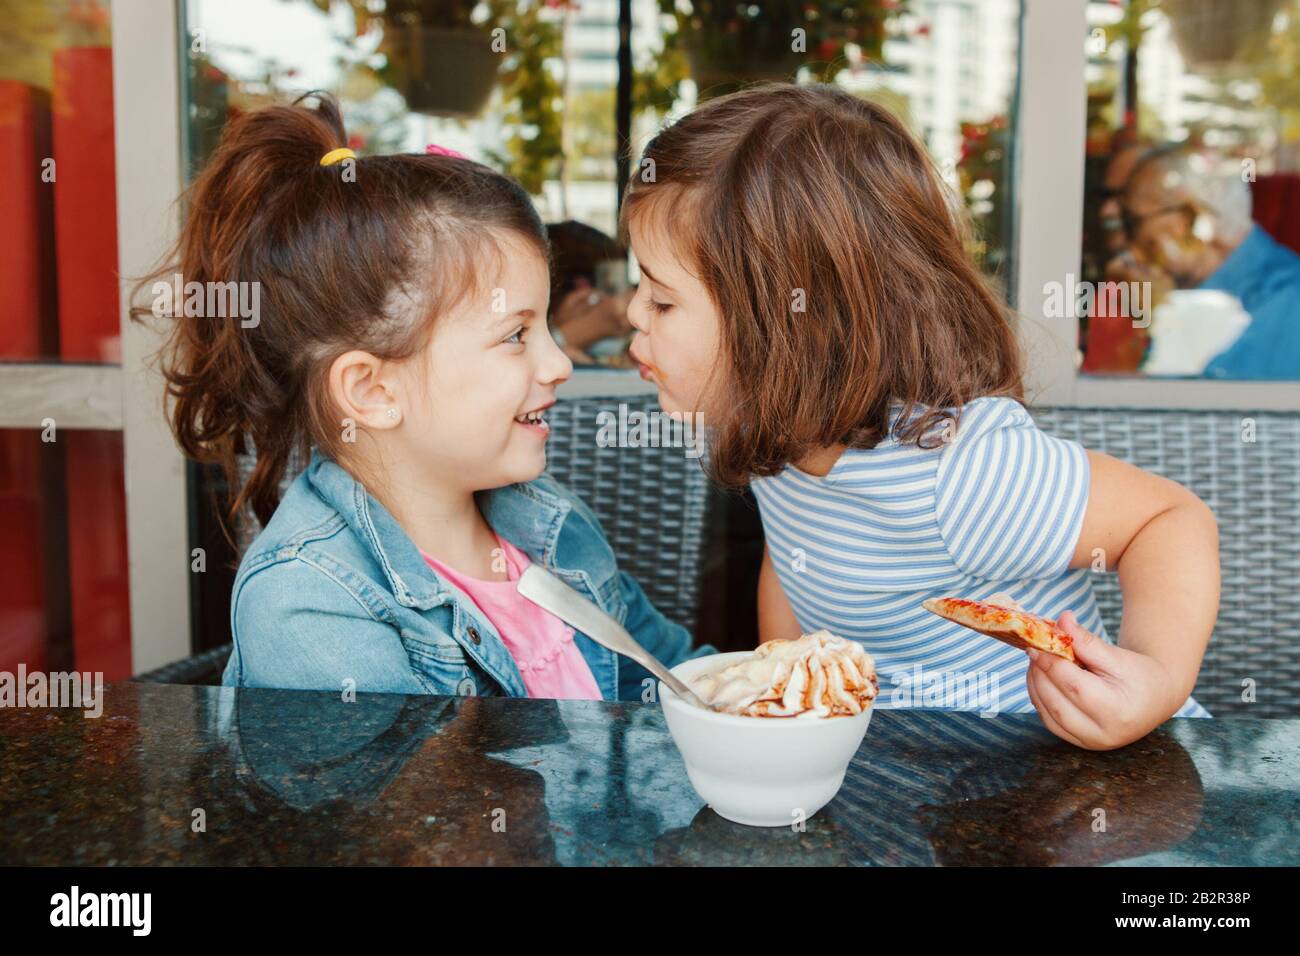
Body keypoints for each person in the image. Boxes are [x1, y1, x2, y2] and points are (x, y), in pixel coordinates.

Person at [620, 83, 1218, 750]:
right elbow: (796, 567)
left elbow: (1170, 521)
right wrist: (786, 707)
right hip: (918, 789)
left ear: (793, 326)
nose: (631, 313)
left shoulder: (960, 475)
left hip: (1073, 784)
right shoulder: (778, 444)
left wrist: (1153, 678)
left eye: (662, 299)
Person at [135, 93, 712, 701]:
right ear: (372, 390)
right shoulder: (307, 603)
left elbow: (674, 678)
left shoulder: (552, 526)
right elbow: (420, 796)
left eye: (545, 326)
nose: (559, 363)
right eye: (515, 335)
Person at [1111, 143, 1300, 379]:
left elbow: (1189, 406)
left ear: (1189, 220)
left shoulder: (1286, 300)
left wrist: (1166, 317)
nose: (1129, 247)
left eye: (1134, 223)